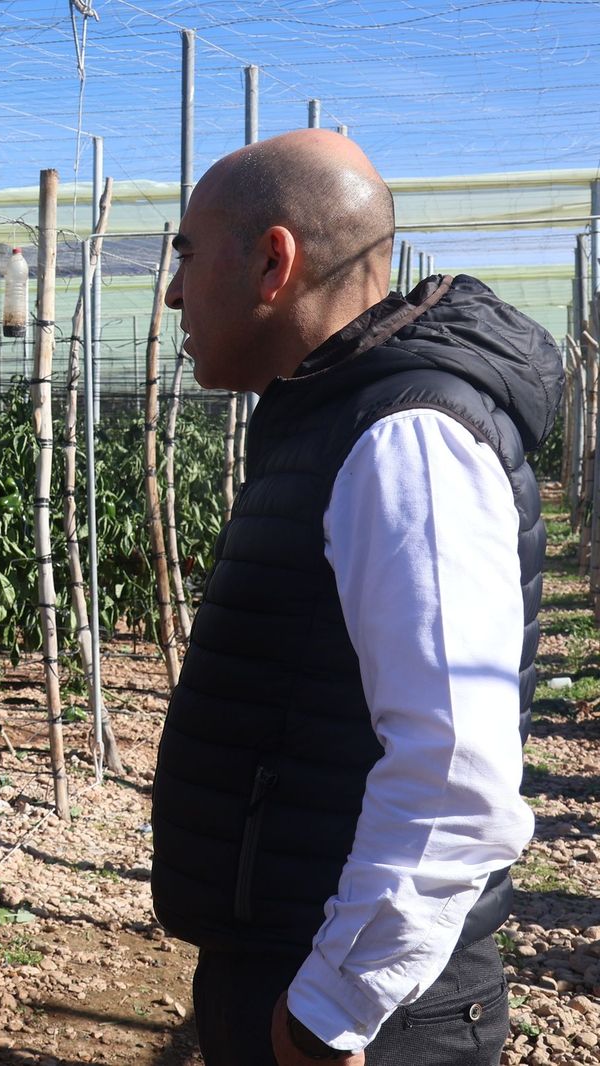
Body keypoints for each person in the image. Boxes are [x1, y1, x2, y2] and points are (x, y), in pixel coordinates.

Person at [149, 128, 561, 1065]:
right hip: (300, 959)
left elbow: (454, 775)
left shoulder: (406, 438)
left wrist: (329, 1010)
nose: (173, 291)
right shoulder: (331, 417)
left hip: (364, 1012)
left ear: (272, 261)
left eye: (184, 254)